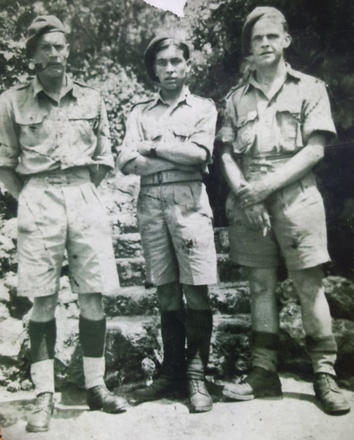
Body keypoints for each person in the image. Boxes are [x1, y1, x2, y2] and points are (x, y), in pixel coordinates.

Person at [218, 7, 350, 415]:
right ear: (250, 47)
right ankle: (263, 373)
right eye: (257, 39)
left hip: (297, 198)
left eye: (272, 36)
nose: (265, 44)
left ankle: (324, 375)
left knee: (309, 285)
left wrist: (263, 189)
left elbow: (314, 149)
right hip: (250, 202)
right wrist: (245, 193)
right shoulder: (236, 98)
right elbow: (224, 153)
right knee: (259, 286)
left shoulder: (309, 88)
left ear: (286, 40)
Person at [0, 16, 127, 432]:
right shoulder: (11, 101)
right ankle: (44, 394)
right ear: (32, 55)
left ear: (68, 50)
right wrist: (33, 198)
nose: (54, 54)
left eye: (60, 46)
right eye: (45, 48)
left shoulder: (91, 98)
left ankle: (95, 385)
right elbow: (5, 164)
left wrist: (81, 192)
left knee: (93, 294)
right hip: (37, 196)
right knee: (42, 299)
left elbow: (104, 155)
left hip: (83, 195)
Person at [117, 35, 217, 413]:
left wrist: (154, 149)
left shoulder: (203, 108)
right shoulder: (139, 113)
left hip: (189, 202)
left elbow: (199, 155)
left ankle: (196, 375)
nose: (170, 68)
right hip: (151, 204)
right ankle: (171, 371)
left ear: (187, 65)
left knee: (196, 289)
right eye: (162, 63)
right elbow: (127, 162)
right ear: (153, 69)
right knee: (165, 290)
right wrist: (176, 156)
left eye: (177, 61)